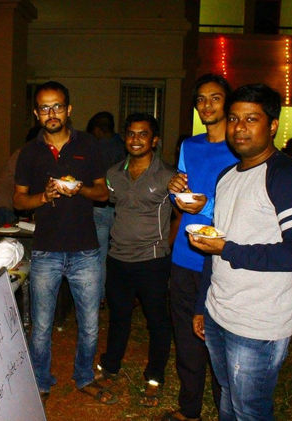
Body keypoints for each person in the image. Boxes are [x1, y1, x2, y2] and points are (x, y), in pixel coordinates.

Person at [191, 83, 292, 421]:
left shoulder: (287, 176)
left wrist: (228, 249)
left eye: (251, 119)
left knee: (250, 411)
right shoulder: (227, 176)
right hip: (219, 313)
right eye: (234, 118)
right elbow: (216, 245)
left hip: (258, 325)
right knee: (227, 399)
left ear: (272, 125)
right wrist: (203, 304)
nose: (239, 128)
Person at [13, 81, 115, 405]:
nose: (52, 113)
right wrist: (44, 196)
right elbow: (18, 200)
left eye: (57, 106)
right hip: (46, 250)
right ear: (36, 113)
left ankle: (84, 376)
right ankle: (41, 381)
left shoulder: (88, 144)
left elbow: (103, 193)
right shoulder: (29, 152)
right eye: (45, 108)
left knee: (90, 324)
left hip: (86, 250)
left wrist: (80, 189)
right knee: (41, 325)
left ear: (68, 109)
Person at [165, 73, 238, 421]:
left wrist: (206, 207)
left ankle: (227, 411)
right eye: (201, 99)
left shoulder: (239, 149)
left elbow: (241, 207)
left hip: (220, 258)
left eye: (215, 98)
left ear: (228, 103)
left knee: (220, 342)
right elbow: (183, 193)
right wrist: (174, 189)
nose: (206, 105)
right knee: (186, 339)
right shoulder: (190, 146)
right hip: (185, 255)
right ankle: (189, 409)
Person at [97, 113, 175, 408]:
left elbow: (181, 214)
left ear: (154, 140)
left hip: (151, 261)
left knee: (157, 321)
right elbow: (110, 203)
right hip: (118, 258)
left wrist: (165, 247)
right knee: (118, 317)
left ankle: (154, 377)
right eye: (131, 133)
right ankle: (111, 366)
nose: (136, 139)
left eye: (143, 134)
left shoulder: (168, 176)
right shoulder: (114, 173)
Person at [86, 111, 126, 304]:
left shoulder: (95, 149)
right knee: (119, 254)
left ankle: (100, 296)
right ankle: (118, 295)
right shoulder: (123, 145)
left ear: (98, 130)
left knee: (99, 254)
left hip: (100, 207)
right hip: (121, 208)